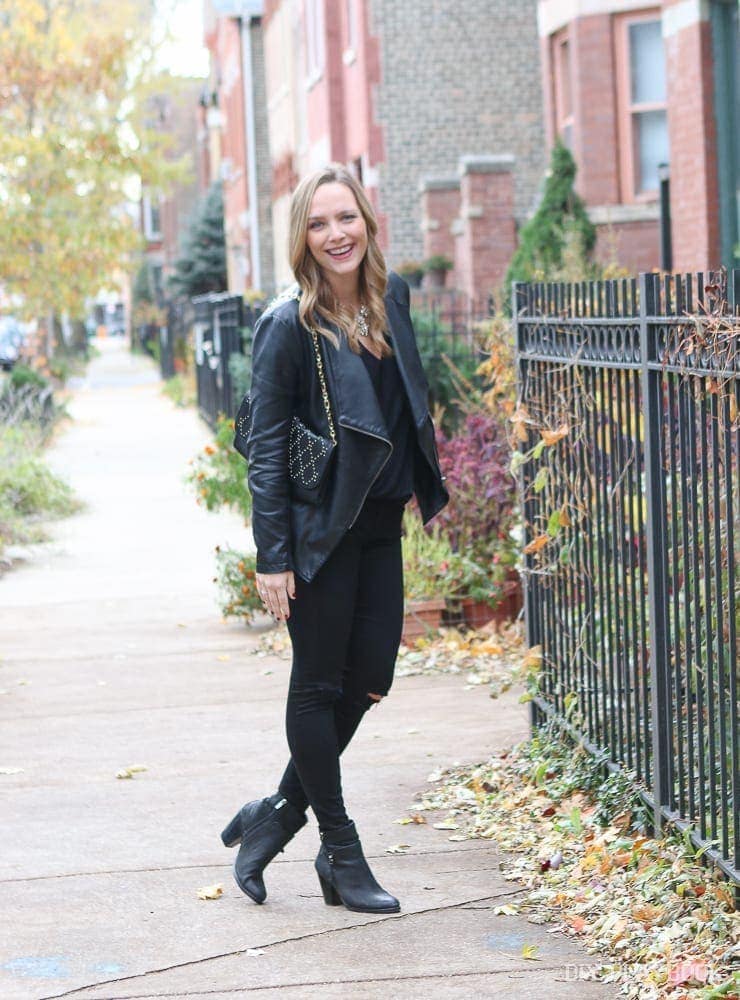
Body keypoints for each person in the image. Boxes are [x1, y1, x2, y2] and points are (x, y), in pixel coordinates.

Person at [221, 163, 448, 914]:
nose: (335, 234)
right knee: (318, 686)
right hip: (319, 532)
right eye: (318, 223)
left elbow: (407, 400)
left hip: (380, 525)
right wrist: (273, 556)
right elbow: (265, 449)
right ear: (302, 238)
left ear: (367, 221)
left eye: (344, 217)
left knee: (369, 680)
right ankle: (340, 852)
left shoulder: (395, 299)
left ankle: (276, 816)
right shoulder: (289, 324)